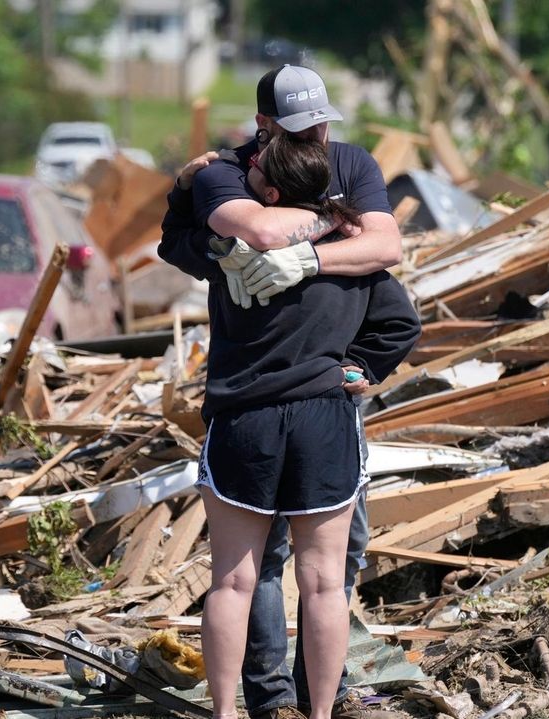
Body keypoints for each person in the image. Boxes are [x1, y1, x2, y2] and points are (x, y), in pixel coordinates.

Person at [163, 131, 419, 719]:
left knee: (233, 581)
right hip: (325, 420)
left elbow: (173, 240)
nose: (241, 181)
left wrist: (184, 191)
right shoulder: (351, 253)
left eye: (251, 178)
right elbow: (401, 324)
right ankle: (321, 713)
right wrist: (363, 367)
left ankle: (227, 713)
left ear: (271, 190)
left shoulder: (230, 253)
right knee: (327, 584)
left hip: (243, 421)